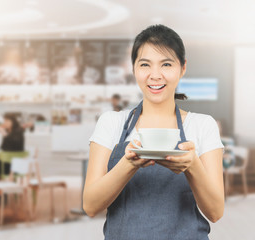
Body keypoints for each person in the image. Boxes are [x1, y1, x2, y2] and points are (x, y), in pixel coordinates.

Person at [84, 24, 225, 240]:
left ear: (182, 67)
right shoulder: (111, 122)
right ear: (134, 69)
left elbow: (215, 212)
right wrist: (128, 164)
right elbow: (90, 205)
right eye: (145, 65)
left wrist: (192, 166)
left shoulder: (202, 125)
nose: (155, 75)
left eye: (166, 64)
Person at [0, 113, 25, 177]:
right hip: (9, 158)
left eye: (7, 121)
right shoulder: (10, 132)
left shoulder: (18, 131)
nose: (5, 123)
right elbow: (3, 147)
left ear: (13, 121)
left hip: (12, 160)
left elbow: (13, 145)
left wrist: (4, 134)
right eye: (4, 121)